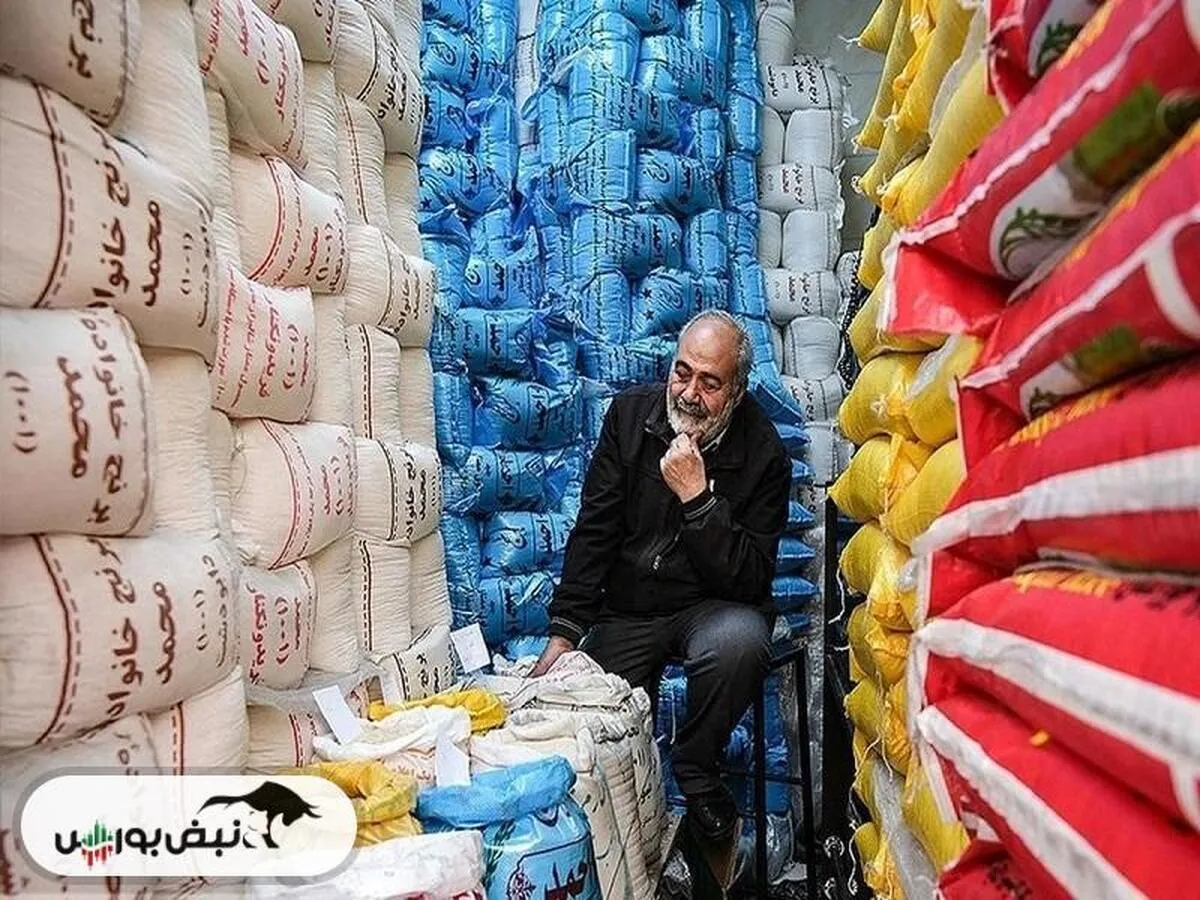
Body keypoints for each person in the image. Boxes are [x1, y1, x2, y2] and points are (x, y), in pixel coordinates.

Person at [531, 310, 791, 841]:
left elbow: (750, 580)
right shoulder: (631, 418)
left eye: (710, 383)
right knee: (586, 712)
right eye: (682, 373)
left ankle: (696, 765)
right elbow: (595, 530)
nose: (690, 394)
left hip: (711, 608)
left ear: (737, 390)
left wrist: (699, 501)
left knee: (741, 641)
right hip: (631, 608)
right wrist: (565, 631)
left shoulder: (764, 453)